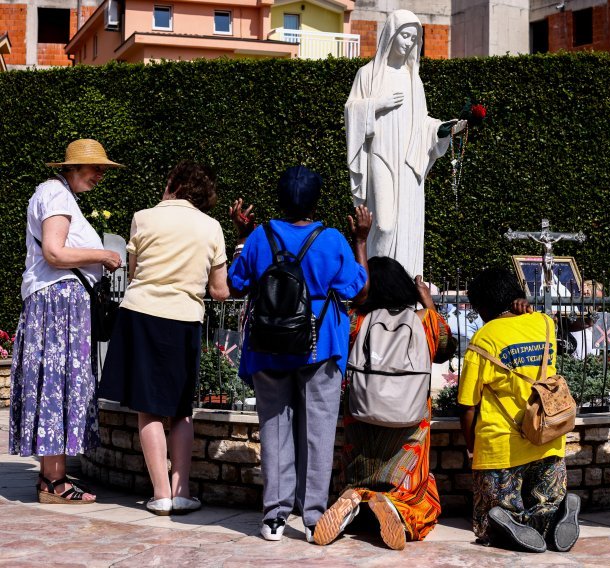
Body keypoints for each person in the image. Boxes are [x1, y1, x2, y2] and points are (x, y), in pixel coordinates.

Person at [227, 166, 371, 543]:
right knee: (318, 432)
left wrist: (243, 237)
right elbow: (359, 288)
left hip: (269, 346)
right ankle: (313, 519)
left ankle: (274, 517)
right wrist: (361, 240)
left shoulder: (261, 236)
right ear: (316, 201)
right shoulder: (332, 239)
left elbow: (237, 282)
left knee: (274, 428)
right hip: (319, 346)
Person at [98, 160, 229, 516]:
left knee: (148, 409)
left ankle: (159, 494)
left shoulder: (143, 217)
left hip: (141, 314)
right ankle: (182, 490)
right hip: (185, 319)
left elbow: (136, 272)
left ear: (173, 181)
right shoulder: (212, 227)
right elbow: (219, 290)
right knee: (182, 410)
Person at [9, 139, 123, 503]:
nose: (100, 175)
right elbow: (55, 252)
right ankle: (54, 482)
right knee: (58, 382)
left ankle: (51, 477)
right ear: (72, 167)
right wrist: (103, 254)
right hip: (59, 304)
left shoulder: (57, 194)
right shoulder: (55, 195)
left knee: (54, 382)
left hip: (56, 303)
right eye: (95, 168)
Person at [315, 256, 455, 550]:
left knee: (357, 471)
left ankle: (353, 498)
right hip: (409, 421)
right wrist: (427, 302)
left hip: (362, 414)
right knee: (419, 500)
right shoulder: (426, 322)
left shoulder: (356, 320)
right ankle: (397, 507)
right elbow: (445, 349)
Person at [457, 268, 580, 553]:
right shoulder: (544, 323)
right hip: (548, 434)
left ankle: (508, 525)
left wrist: (472, 449)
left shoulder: (485, 338)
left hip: (502, 443)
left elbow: (467, 403)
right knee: (544, 502)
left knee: (490, 519)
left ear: (484, 305)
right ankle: (557, 516)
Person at [344, 9, 466, 278]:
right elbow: (352, 110)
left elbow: (423, 124)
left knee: (406, 224)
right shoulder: (368, 75)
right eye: (405, 36)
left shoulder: (415, 81)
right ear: (391, 35)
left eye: (414, 38)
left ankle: (404, 286)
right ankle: (375, 284)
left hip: (409, 162)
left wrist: (441, 130)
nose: (409, 42)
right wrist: (378, 104)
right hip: (381, 155)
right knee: (384, 224)